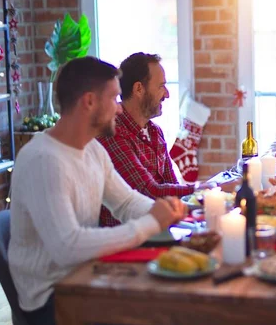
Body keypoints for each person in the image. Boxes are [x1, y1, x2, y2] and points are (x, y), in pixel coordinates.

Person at [8, 57, 184, 325]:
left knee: (173, 306)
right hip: (53, 297)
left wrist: (163, 209)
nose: (119, 106)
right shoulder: (44, 160)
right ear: (89, 102)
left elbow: (126, 203)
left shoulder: (91, 150)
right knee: (159, 323)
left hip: (87, 275)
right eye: (114, 98)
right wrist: (150, 224)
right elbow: (68, 246)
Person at [97, 53, 234, 227]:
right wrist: (210, 188)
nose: (167, 94)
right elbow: (147, 191)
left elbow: (172, 187)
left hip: (160, 226)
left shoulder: (155, 131)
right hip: (129, 238)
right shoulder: (114, 132)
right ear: (139, 89)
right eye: (161, 86)